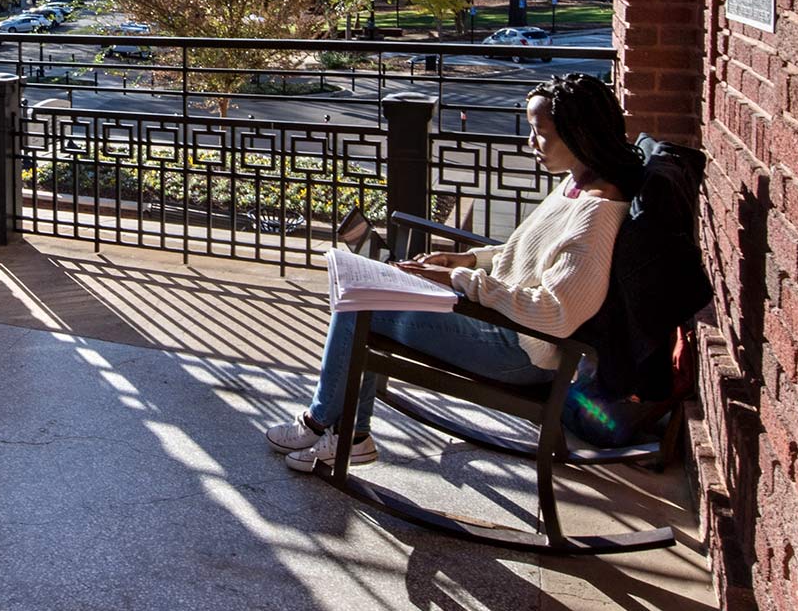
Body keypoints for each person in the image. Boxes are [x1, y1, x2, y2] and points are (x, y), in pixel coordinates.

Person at [266, 73, 650, 472]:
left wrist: (460, 281)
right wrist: (467, 260)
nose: (530, 144)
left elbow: (556, 312)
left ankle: (321, 423)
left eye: (540, 133)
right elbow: (529, 255)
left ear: (578, 132)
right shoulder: (578, 183)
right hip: (503, 321)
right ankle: (350, 435)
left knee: (357, 305)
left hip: (519, 350)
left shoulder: (597, 212)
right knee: (366, 290)